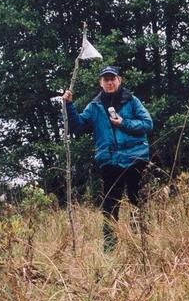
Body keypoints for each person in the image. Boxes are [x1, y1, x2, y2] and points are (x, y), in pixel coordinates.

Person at [63, 66, 153, 251]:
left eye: (113, 79)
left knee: (137, 201)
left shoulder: (132, 101)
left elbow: (147, 124)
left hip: (135, 157)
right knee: (110, 205)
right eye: (106, 79)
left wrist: (124, 122)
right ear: (101, 83)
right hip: (110, 161)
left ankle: (141, 243)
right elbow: (78, 128)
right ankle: (110, 248)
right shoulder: (94, 106)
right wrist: (69, 106)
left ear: (119, 80)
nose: (110, 82)